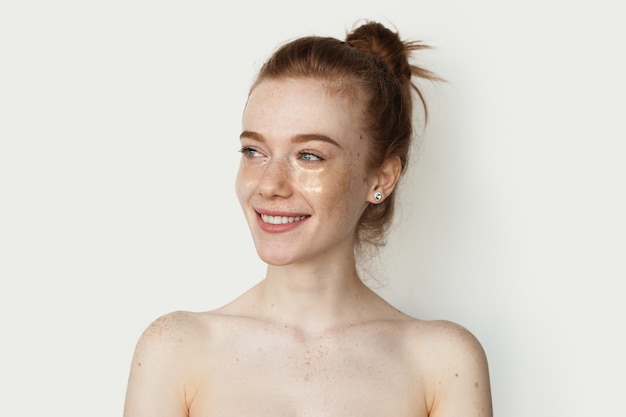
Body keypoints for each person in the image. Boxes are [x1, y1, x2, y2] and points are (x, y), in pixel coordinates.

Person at [123, 20, 492, 417]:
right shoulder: (174, 350)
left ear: (380, 178)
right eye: (254, 152)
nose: (269, 185)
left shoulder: (441, 364)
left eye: (309, 156)